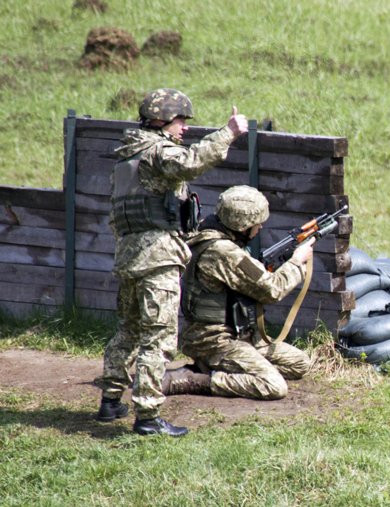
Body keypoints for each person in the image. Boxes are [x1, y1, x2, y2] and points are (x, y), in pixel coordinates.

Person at [94, 88, 248, 437]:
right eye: (180, 121)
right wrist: (229, 133)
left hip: (130, 258)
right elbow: (190, 163)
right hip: (158, 259)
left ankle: (110, 399)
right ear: (161, 121)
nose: (185, 129)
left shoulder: (127, 159)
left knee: (129, 329)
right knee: (158, 337)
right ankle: (147, 417)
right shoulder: (159, 151)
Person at [161, 185, 313, 400]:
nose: (260, 227)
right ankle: (195, 379)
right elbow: (272, 290)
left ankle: (230, 370)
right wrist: (297, 263)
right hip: (214, 341)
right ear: (242, 225)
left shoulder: (209, 234)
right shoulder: (224, 251)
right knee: (273, 386)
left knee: (299, 364)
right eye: (256, 223)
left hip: (239, 336)